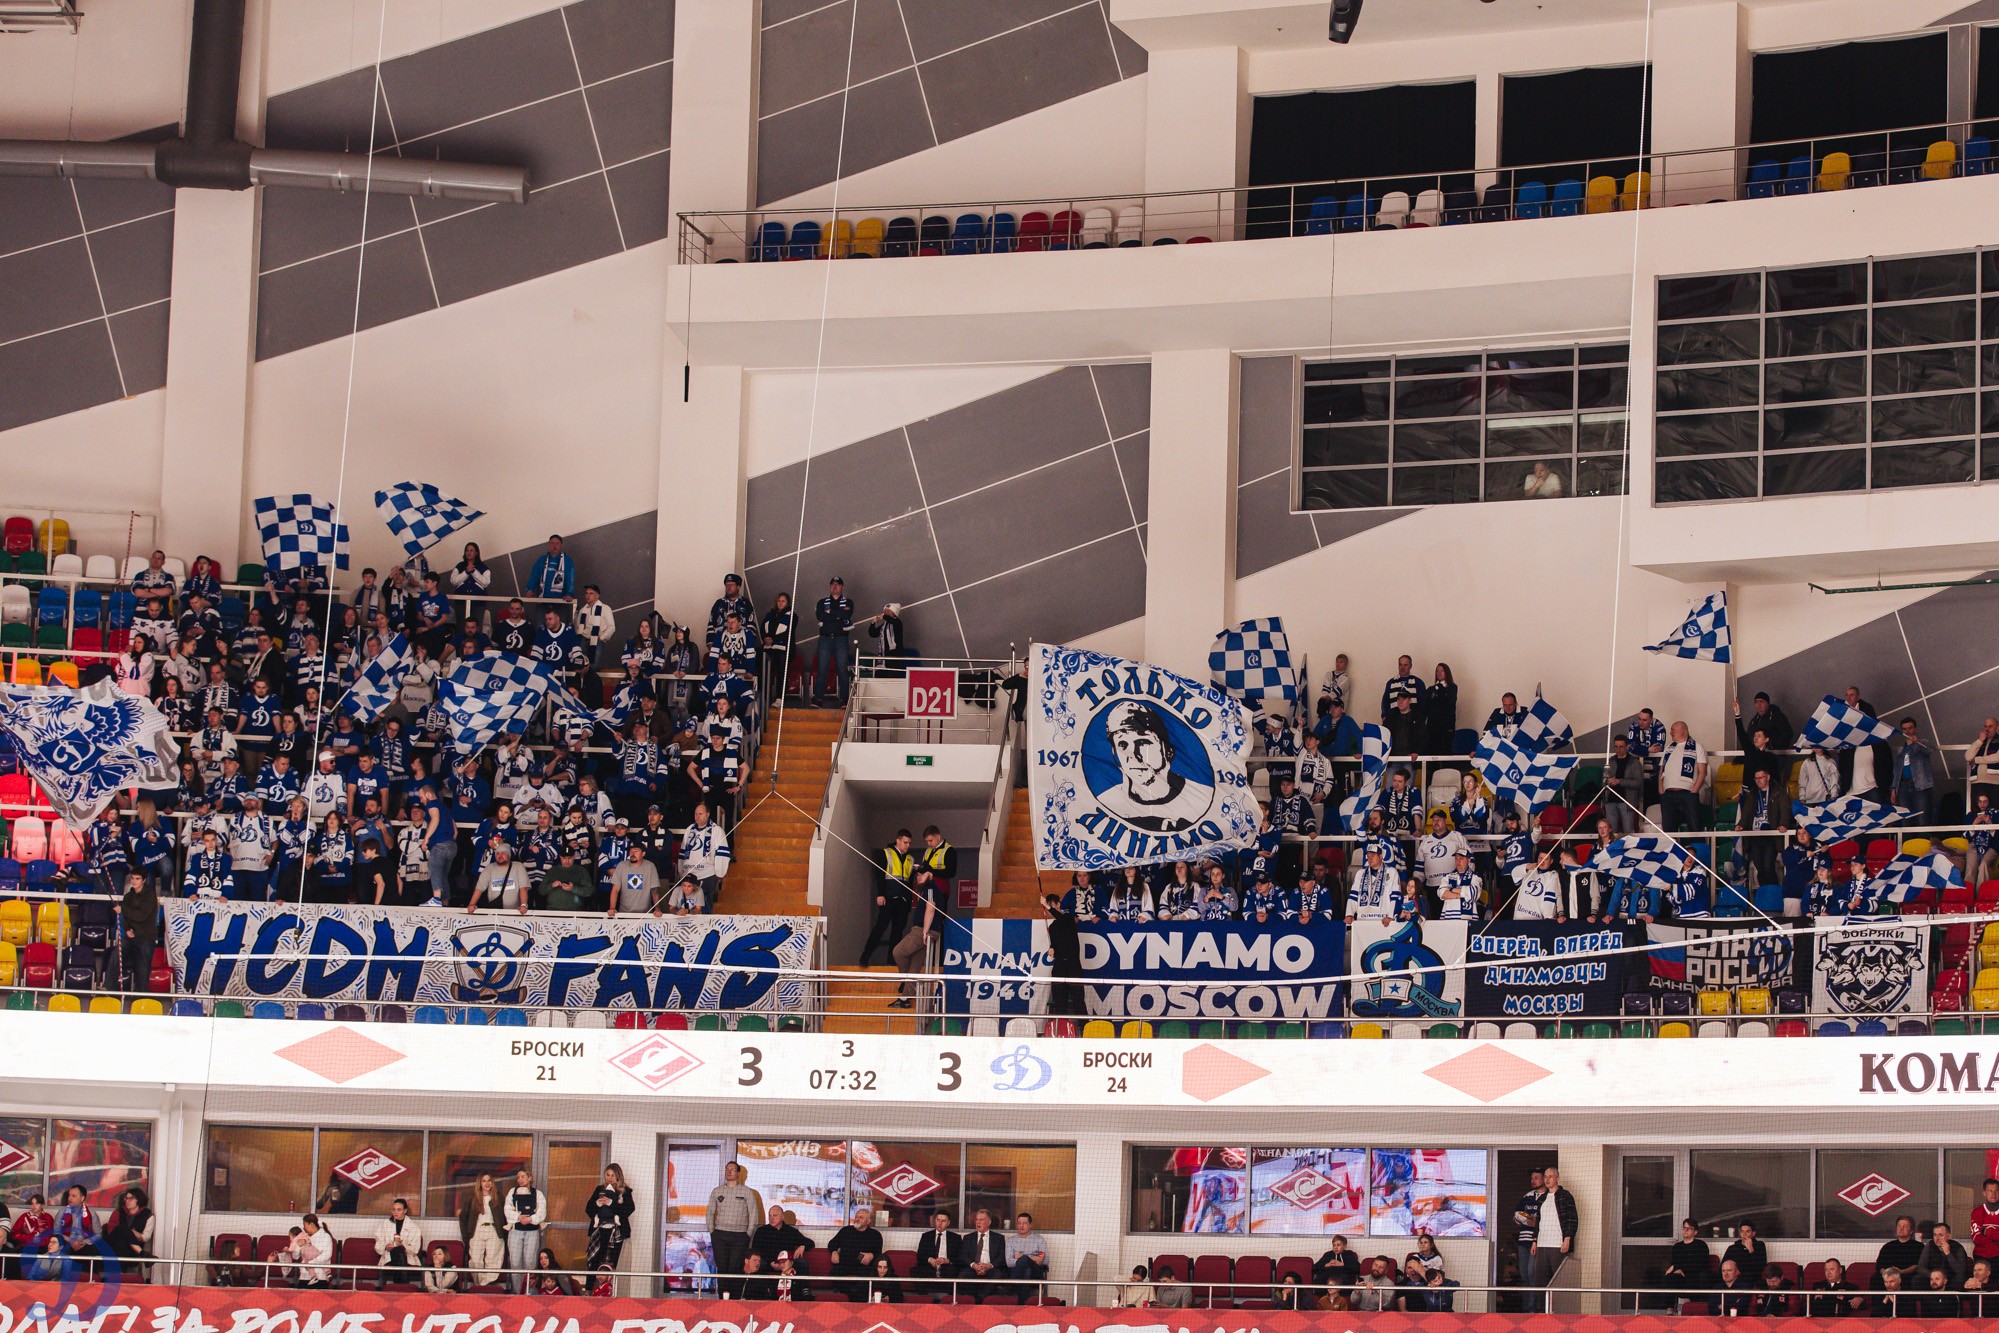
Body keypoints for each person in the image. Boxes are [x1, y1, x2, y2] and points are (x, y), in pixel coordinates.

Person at [706, 1160, 763, 1295]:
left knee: (735, 1268)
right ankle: (723, 1299)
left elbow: (754, 1213)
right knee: (722, 1268)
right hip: (720, 1235)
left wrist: (748, 1234)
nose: (729, 1172)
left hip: (740, 1236)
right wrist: (712, 1231)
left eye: (732, 1169)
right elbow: (710, 1212)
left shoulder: (747, 1192)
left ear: (738, 1173)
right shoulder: (717, 1191)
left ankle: (734, 1299)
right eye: (727, 1169)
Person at [889, 867, 941, 1008]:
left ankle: (905, 982)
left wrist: (924, 931)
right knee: (914, 967)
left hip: (923, 931)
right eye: (917, 875)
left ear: (930, 874)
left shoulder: (930, 888)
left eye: (921, 874)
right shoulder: (926, 889)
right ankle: (905, 998)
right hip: (927, 931)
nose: (918, 877)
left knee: (898, 952)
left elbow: (931, 908)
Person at [1528, 1164, 1576, 1313]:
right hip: (1542, 1244)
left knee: (1559, 1280)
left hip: (1557, 1245)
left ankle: (1560, 1312)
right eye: (1546, 1177)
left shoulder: (1565, 1196)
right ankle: (1542, 1312)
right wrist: (1534, 1241)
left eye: (1550, 1176)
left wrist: (1567, 1239)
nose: (1547, 1179)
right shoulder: (1542, 1199)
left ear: (1557, 1179)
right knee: (1540, 1281)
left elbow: (1571, 1219)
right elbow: (1538, 1222)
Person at [504, 1167, 547, 1294]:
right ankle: (518, 1292)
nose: (520, 1179)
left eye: (523, 1177)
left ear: (530, 1178)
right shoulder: (512, 1192)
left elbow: (542, 1212)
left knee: (530, 1262)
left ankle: (529, 1291)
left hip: (532, 1232)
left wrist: (530, 1219)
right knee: (515, 1262)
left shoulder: (538, 1194)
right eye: (518, 1177)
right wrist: (518, 1217)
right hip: (515, 1231)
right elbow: (507, 1209)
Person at [458, 1171, 507, 1285]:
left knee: (493, 1260)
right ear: (479, 1183)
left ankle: (485, 1285)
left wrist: (504, 1232)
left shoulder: (499, 1197)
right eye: (484, 1181)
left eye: (489, 1180)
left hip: (494, 1231)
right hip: (477, 1231)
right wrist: (466, 1236)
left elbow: (505, 1216)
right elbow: (463, 1217)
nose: (487, 1183)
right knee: (475, 1260)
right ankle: (479, 1284)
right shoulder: (472, 1198)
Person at [812, 576, 854, 707]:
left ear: (842, 587)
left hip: (841, 639)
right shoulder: (821, 602)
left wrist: (830, 612)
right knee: (822, 669)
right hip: (825, 639)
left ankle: (844, 700)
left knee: (842, 670)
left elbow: (846, 615)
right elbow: (820, 616)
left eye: (838, 584)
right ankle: (818, 699)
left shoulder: (848, 602)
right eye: (833, 584)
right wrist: (837, 615)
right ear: (830, 586)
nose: (835, 587)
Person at [1043, 891, 1085, 1020]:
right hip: (1059, 966)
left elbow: (1061, 919)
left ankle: (1084, 1026)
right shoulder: (1052, 927)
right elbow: (1055, 943)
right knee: (1059, 1000)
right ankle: (1060, 1025)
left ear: (1058, 904)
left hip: (1073, 966)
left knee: (1078, 999)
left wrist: (1046, 905)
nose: (1049, 909)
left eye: (1051, 905)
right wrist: (1052, 948)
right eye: (1047, 906)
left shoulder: (1068, 918)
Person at [1658, 721, 1706, 833]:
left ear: (1682, 730)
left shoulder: (1697, 747)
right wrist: (1661, 790)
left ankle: (1696, 845)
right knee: (1668, 829)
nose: (1670, 733)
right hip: (1668, 795)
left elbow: (1702, 772)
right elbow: (1661, 771)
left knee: (1694, 827)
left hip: (1688, 794)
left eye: (1673, 730)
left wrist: (1694, 791)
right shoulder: (1669, 748)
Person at [586, 1165, 633, 1275]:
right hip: (599, 1231)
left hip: (617, 1232)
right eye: (608, 1175)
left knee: (613, 1263)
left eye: (613, 1175)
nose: (610, 1178)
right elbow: (588, 1209)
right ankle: (590, 1285)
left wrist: (611, 1203)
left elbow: (628, 1210)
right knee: (595, 1262)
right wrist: (597, 1204)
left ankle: (611, 1285)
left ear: (618, 1176)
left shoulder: (625, 1191)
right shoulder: (599, 1189)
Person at [828, 1206, 886, 1294]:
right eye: (856, 1217)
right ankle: (844, 1295)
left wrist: (872, 1255)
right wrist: (834, 1252)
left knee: (871, 1274)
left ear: (868, 1221)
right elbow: (832, 1243)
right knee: (834, 1273)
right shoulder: (845, 1231)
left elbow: (879, 1253)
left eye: (861, 1217)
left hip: (863, 1266)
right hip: (845, 1264)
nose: (857, 1219)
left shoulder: (875, 1234)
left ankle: (860, 1297)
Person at [1894, 717, 1937, 827]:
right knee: (1905, 819)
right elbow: (1897, 771)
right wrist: (1894, 788)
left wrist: (1915, 742)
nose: (1907, 731)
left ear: (1915, 729)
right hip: (1903, 786)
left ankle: (1923, 838)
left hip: (1920, 786)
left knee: (1922, 819)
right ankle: (1906, 839)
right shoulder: (1901, 749)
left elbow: (1929, 750)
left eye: (1910, 728)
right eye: (1904, 729)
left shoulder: (1923, 742)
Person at [374, 1197, 423, 1287]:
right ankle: (403, 1286)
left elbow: (415, 1249)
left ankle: (398, 1286)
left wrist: (403, 1246)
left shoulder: (413, 1227)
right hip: (388, 1257)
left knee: (398, 1250)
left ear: (405, 1211)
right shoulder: (384, 1225)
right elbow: (378, 1245)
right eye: (394, 1209)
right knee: (396, 1251)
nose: (395, 1212)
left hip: (407, 1258)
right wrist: (386, 1246)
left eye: (399, 1210)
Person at [959, 1209, 1006, 1299]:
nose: (978, 1222)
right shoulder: (968, 1237)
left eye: (981, 1220)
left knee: (997, 1275)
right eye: (977, 1219)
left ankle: (981, 1299)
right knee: (963, 1275)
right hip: (973, 1268)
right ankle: (974, 1298)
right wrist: (974, 1265)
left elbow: (1001, 1257)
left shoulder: (999, 1238)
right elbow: (963, 1255)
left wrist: (988, 1266)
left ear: (989, 1222)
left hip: (990, 1268)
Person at [916, 1209, 960, 1289]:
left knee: (954, 1271)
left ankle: (949, 1295)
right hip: (930, 1265)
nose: (940, 1223)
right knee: (916, 1270)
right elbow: (920, 1255)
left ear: (948, 1223)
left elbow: (959, 1257)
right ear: (934, 1221)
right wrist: (930, 1260)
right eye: (938, 1220)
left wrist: (947, 1260)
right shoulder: (926, 1236)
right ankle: (924, 1295)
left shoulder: (955, 1238)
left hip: (947, 1266)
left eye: (943, 1221)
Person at [1877, 1214, 1925, 1287]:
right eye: (1899, 1226)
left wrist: (1901, 1272)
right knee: (1875, 1278)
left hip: (1907, 1276)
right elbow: (1879, 1265)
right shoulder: (1888, 1246)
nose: (1901, 1228)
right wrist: (1887, 1274)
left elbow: (1918, 1266)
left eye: (1905, 1226)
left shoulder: (1919, 1246)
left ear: (1911, 1231)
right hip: (1888, 1276)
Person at [287, 1213, 333, 1289]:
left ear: (311, 1224)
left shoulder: (325, 1236)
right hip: (304, 1276)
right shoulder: (303, 1236)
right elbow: (295, 1256)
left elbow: (327, 1255)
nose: (304, 1228)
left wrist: (311, 1263)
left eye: (304, 1225)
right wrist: (298, 1245)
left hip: (320, 1276)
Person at [1922, 1220, 1971, 1287]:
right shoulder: (1930, 1245)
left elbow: (1960, 1271)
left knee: (1960, 1278)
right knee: (1917, 1279)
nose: (1937, 1238)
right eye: (1935, 1235)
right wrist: (1934, 1276)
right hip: (1933, 1277)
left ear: (1949, 1236)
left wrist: (1948, 1253)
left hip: (1950, 1277)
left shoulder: (1958, 1247)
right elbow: (1921, 1267)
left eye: (1940, 1235)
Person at [527, 535, 576, 599]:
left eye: (557, 543)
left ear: (562, 545)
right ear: (548, 545)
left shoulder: (567, 560)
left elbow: (570, 579)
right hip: (543, 599)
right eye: (552, 543)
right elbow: (534, 576)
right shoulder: (542, 560)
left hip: (561, 600)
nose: (555, 546)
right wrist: (530, 589)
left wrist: (570, 594)